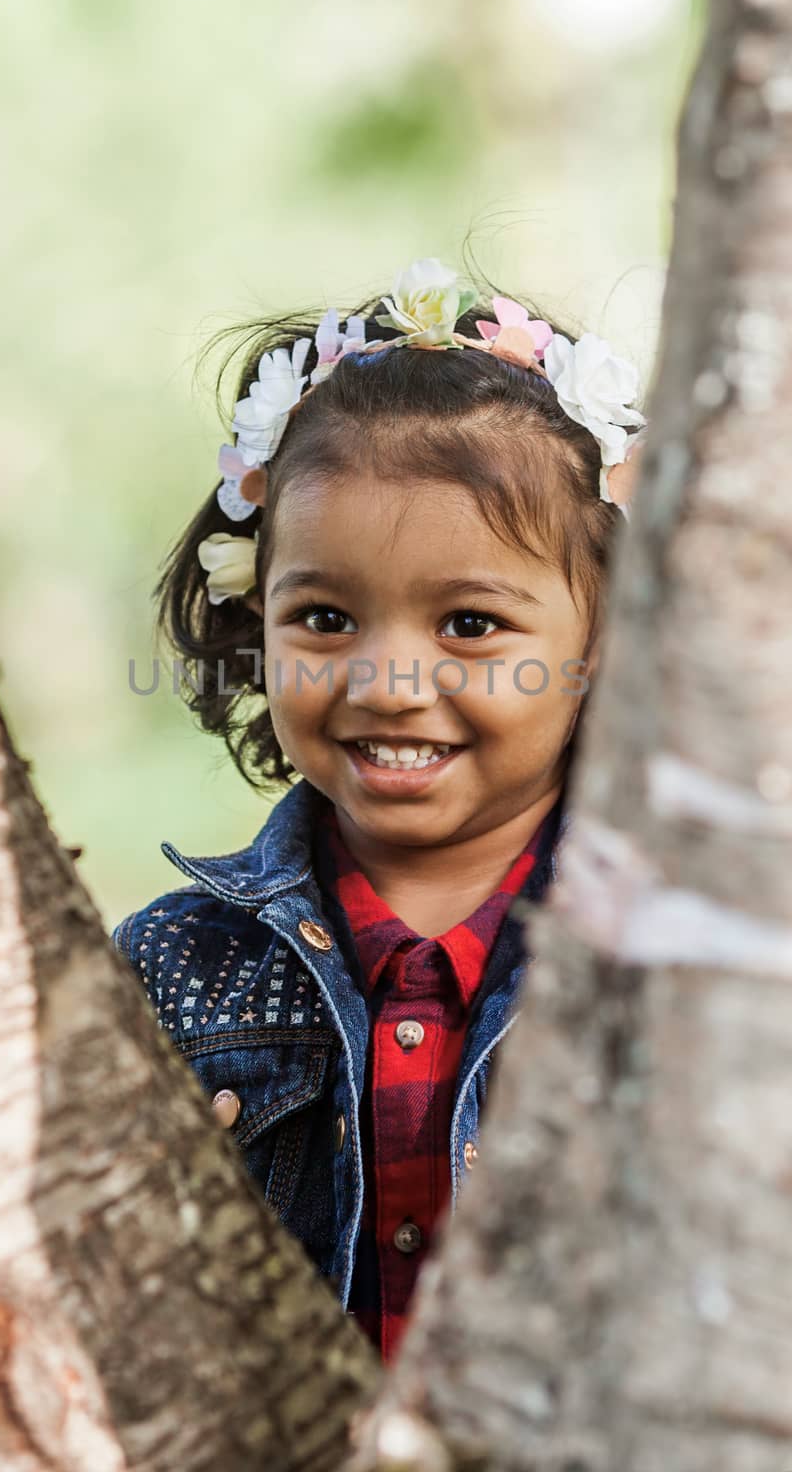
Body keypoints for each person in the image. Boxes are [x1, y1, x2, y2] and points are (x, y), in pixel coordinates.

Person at [110, 257, 646, 1362]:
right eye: (325, 617)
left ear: (600, 645)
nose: (388, 681)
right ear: (254, 618)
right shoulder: (172, 968)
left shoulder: (669, 957)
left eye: (469, 626)